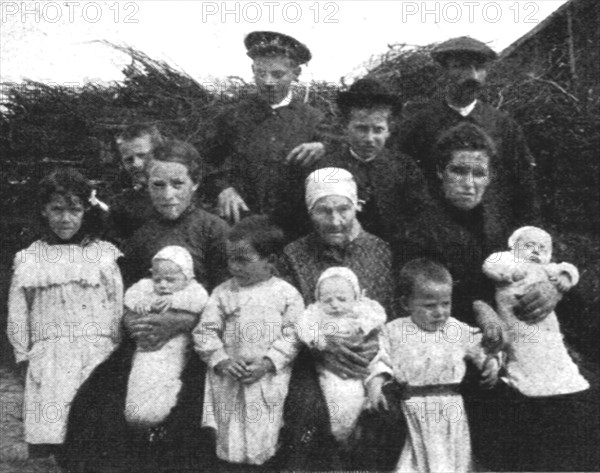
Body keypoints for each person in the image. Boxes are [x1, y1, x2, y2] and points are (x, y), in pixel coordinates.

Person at [63, 139, 229, 473]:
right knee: (94, 399)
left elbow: (228, 295)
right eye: (158, 185)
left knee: (189, 409)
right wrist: (130, 320)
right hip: (146, 340)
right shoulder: (142, 236)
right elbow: (126, 290)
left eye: (178, 184)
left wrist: (183, 321)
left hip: (202, 342)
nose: (168, 194)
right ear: (146, 185)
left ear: (195, 184)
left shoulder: (214, 230)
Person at [277, 167, 403, 471]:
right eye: (324, 211)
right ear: (310, 212)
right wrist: (323, 347)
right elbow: (289, 318)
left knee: (389, 410)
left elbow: (391, 313)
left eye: (343, 209)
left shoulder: (379, 250)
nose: (335, 220)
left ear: (356, 206)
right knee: (307, 409)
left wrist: (372, 348)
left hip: (371, 357)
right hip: (313, 359)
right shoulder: (294, 255)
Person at [7, 169, 123, 464]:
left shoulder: (103, 254)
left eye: (74, 210)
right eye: (57, 209)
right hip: (51, 358)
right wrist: (24, 355)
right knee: (55, 433)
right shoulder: (30, 258)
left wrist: (115, 350)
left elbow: (116, 303)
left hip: (95, 355)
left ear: (86, 210)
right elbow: (19, 311)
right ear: (44, 210)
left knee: (92, 431)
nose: (65, 218)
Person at [481, 226, 598, 471]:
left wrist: (563, 280)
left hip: (547, 332)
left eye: (542, 248)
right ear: (513, 246)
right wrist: (510, 272)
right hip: (516, 330)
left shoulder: (547, 270)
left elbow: (569, 269)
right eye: (529, 246)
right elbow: (491, 265)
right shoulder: (508, 259)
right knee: (525, 362)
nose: (535, 251)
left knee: (559, 364)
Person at [367, 259, 500, 473]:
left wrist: (491, 362)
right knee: (413, 462)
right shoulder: (394, 331)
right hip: (412, 409)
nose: (440, 312)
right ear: (405, 303)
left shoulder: (455, 329)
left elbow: (481, 347)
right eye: (429, 306)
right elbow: (380, 359)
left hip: (451, 409)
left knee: (452, 461)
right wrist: (375, 385)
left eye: (445, 303)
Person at [194, 215, 304, 468]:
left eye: (243, 260)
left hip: (267, 377)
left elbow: (294, 335)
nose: (234, 266)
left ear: (271, 261)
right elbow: (205, 332)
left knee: (264, 436)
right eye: (231, 258)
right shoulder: (223, 293)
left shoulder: (286, 294)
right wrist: (220, 360)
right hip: (229, 376)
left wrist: (269, 362)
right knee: (229, 437)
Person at [397, 36, 539, 227]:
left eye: (479, 68)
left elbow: (524, 188)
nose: (472, 76)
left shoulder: (503, 126)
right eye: (462, 66)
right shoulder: (417, 126)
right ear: (444, 72)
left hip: (493, 234)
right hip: (435, 233)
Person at [205, 31, 325, 239]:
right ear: (253, 70)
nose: (268, 82)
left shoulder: (313, 119)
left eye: (278, 74)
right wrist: (222, 189)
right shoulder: (233, 117)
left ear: (296, 73)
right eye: (261, 73)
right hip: (243, 227)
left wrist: (323, 147)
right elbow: (204, 160)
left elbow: (340, 155)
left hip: (296, 230)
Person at [322, 78, 432, 242]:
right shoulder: (327, 168)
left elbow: (420, 217)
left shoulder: (404, 168)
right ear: (345, 127)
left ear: (388, 131)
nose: (369, 138)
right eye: (361, 128)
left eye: (378, 130)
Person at [296, 266, 386, 445]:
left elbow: (378, 318)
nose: (335, 304)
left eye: (342, 299)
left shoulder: (363, 310)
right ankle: (341, 434)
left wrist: (364, 327)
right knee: (339, 395)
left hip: (362, 357)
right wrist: (317, 340)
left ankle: (372, 397)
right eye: (327, 300)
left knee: (378, 365)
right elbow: (304, 326)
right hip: (331, 367)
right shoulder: (316, 313)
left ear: (356, 297)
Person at [124, 245, 209, 428]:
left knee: (167, 379)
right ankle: (139, 417)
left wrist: (175, 300)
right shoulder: (147, 288)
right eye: (158, 279)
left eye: (170, 280)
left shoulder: (191, 290)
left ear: (187, 277)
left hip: (174, 346)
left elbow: (201, 300)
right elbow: (130, 295)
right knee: (141, 378)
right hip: (146, 348)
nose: (163, 285)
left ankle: (158, 416)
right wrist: (140, 303)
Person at [108, 124, 164, 244]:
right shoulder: (121, 205)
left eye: (142, 156)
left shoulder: (184, 196)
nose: (136, 164)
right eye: (128, 160)